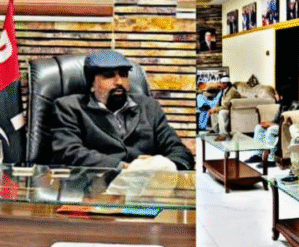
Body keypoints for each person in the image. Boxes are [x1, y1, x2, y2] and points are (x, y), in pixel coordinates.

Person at [51, 49, 194, 170]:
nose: (119, 82)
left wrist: (164, 165)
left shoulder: (149, 107)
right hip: (95, 186)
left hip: (147, 186)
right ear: (92, 83)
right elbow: (68, 152)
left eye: (124, 74)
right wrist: (123, 167)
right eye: (109, 75)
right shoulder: (69, 107)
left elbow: (179, 151)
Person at [244, 83, 299, 166]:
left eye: (276, 94)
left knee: (272, 129)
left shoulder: (296, 106)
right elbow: (276, 120)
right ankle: (258, 154)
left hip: (288, 129)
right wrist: (267, 123)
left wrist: (272, 125)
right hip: (280, 127)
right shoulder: (283, 105)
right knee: (259, 127)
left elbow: (289, 124)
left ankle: (270, 159)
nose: (275, 96)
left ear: (282, 96)